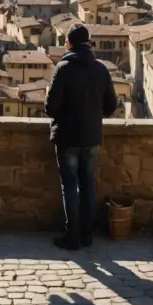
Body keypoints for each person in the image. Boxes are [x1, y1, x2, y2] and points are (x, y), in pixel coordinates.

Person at [44, 22, 118, 250]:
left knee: (70, 185)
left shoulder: (62, 69)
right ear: (88, 44)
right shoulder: (100, 69)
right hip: (92, 137)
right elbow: (112, 105)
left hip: (67, 138)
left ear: (68, 43)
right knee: (87, 185)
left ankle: (72, 236)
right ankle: (87, 234)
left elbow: (50, 108)